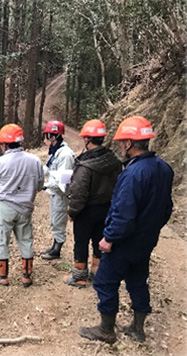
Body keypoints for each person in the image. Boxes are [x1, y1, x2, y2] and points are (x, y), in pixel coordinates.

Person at [79, 116, 174, 344]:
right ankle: (137, 329)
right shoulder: (164, 168)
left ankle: (106, 330)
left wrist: (109, 238)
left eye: (123, 142)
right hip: (145, 241)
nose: (121, 146)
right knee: (138, 280)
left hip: (125, 242)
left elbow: (123, 213)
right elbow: (167, 208)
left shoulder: (133, 174)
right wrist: (150, 230)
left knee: (104, 282)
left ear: (130, 144)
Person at [0, 124, 44, 287]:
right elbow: (40, 185)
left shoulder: (0, 162)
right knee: (26, 240)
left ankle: (2, 275)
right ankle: (26, 276)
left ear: (4, 144)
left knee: (1, 240)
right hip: (26, 207)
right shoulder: (35, 161)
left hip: (5, 207)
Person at [63, 120, 122, 287]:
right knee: (99, 241)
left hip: (86, 211)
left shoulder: (85, 166)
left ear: (87, 139)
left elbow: (78, 192)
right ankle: (97, 273)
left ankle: (79, 276)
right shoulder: (115, 161)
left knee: (81, 242)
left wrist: (72, 211)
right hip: (107, 209)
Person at [39, 120, 75, 260]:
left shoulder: (65, 155)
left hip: (61, 194)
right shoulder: (57, 152)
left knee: (58, 221)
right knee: (55, 220)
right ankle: (54, 246)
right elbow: (48, 169)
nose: (44, 140)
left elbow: (63, 181)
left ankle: (56, 250)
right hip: (55, 194)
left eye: (45, 137)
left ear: (53, 137)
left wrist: (45, 186)